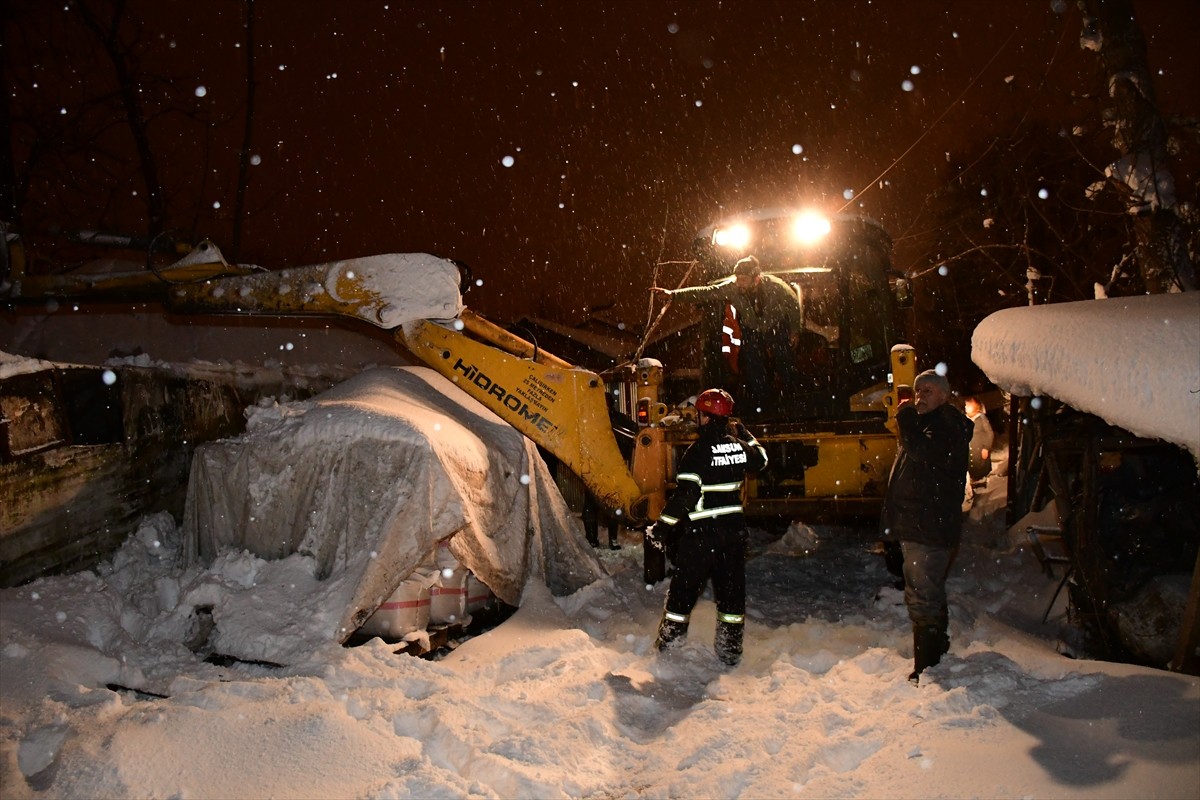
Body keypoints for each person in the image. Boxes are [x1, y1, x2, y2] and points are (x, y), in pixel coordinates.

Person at [645, 388, 768, 666]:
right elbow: (762, 459)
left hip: (702, 536)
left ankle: (670, 649)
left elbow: (685, 496)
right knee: (732, 596)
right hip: (734, 535)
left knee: (682, 594)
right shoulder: (738, 446)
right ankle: (730, 652)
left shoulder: (697, 452)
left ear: (706, 416)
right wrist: (746, 435)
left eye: (699, 414)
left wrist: (661, 529)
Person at [879, 369, 972, 683]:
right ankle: (937, 651)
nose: (920, 397)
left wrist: (905, 416)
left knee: (922, 596)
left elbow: (922, 452)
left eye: (928, 391)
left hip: (930, 526)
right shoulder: (931, 425)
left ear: (944, 396)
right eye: (918, 391)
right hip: (920, 525)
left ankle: (927, 666)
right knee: (927, 591)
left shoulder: (945, 427)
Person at [652, 255, 802, 417]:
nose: (739, 283)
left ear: (756, 279)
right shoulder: (733, 287)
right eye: (738, 278)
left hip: (776, 325)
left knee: (784, 359)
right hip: (752, 327)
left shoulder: (777, 288)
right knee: (752, 365)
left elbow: (793, 305)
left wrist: (795, 330)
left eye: (743, 280)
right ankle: (765, 403)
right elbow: (706, 293)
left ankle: (792, 398)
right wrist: (674, 294)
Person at [963, 397, 994, 484]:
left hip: (980, 449)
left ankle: (982, 478)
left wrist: (986, 447)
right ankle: (973, 479)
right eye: (966, 405)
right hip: (969, 448)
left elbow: (989, 433)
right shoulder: (965, 419)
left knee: (981, 464)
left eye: (968, 405)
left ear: (976, 407)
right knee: (971, 464)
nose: (966, 407)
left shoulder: (981, 418)